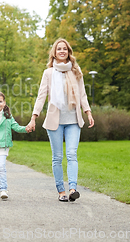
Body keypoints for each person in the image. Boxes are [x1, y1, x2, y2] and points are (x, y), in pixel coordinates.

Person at [26, 38, 94, 202]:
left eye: (65, 49)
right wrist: (33, 118)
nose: (62, 51)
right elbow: (41, 96)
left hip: (73, 120)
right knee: (57, 157)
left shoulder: (76, 71)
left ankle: (72, 189)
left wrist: (88, 112)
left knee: (71, 154)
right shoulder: (48, 73)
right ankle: (61, 191)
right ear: (54, 53)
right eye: (59, 49)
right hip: (54, 120)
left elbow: (82, 93)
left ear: (68, 52)